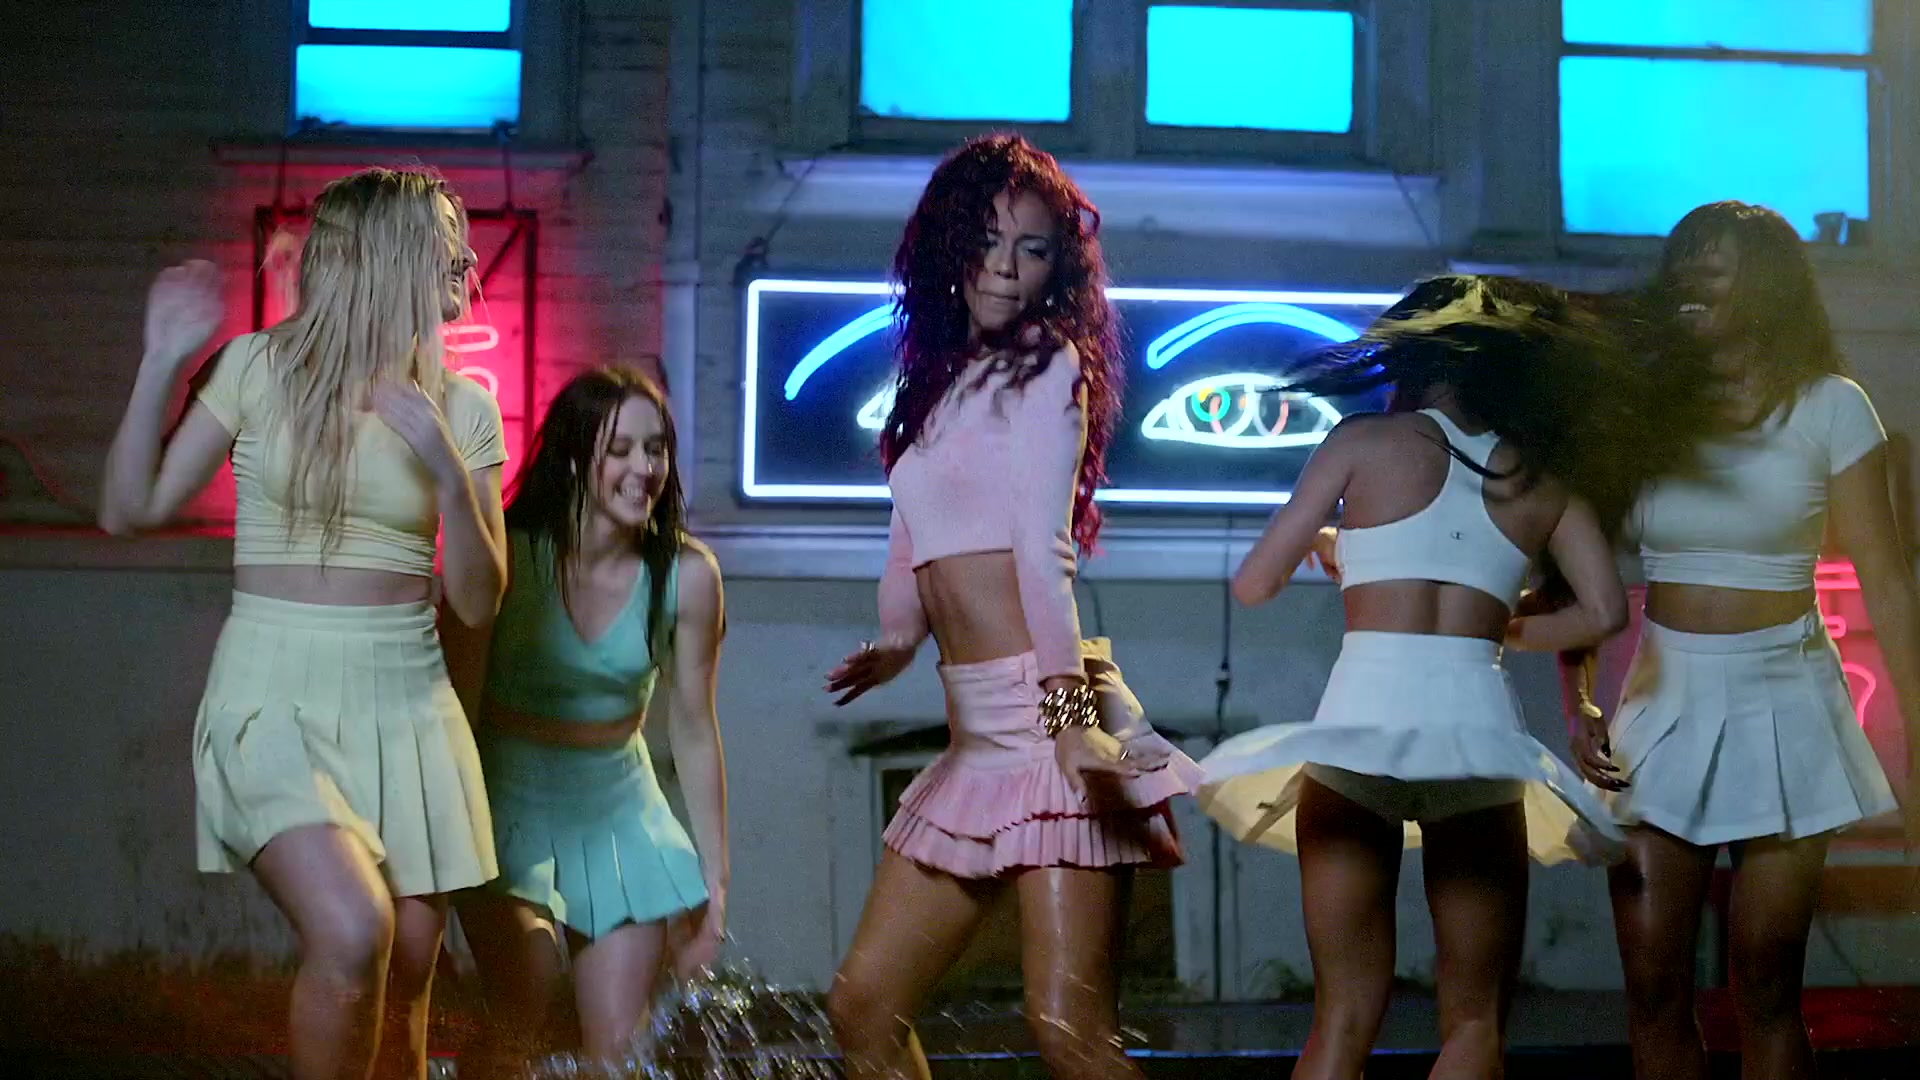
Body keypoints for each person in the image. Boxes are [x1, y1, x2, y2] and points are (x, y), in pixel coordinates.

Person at [98, 167, 508, 1080]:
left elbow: (481, 601)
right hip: (273, 697)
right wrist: (160, 360)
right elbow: (129, 508)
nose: (468, 264)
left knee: (405, 980)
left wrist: (448, 472)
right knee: (354, 930)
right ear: (391, 254)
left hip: (410, 708)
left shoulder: (464, 408)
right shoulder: (257, 369)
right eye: (448, 244)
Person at [820, 133, 1201, 1080]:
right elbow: (913, 540)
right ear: (949, 245)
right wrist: (897, 642)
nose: (1004, 266)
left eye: (1031, 249)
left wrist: (1069, 724)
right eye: (987, 240)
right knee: (862, 1008)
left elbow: (1042, 551)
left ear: (1055, 268)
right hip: (975, 741)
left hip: (1046, 716)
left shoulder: (1048, 367)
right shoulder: (934, 383)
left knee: (1068, 1032)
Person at [1199, 274, 1644, 1080]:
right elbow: (1606, 611)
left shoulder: (1361, 442)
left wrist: (1340, 549)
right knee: (1474, 1023)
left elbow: (1254, 585)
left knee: (1341, 1019)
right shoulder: (1539, 479)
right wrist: (1496, 623)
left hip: (1357, 737)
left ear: (1411, 358)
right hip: (1478, 744)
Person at [1564, 201, 1917, 1080]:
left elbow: (1888, 579)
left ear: (1765, 285)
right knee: (1653, 987)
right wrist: (1578, 698)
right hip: (1661, 705)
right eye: (1682, 264)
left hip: (1788, 703)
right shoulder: (1643, 409)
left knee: (1764, 985)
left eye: (1714, 265)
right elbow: (1573, 563)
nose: (1692, 279)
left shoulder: (1832, 405)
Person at [444, 366, 728, 1071]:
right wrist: (436, 842)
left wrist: (716, 884)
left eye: (655, 449)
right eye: (620, 450)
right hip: (503, 805)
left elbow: (695, 728)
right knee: (527, 989)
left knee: (619, 1052)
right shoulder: (508, 553)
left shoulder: (688, 575)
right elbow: (455, 700)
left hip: (618, 816)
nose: (645, 468)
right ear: (575, 458)